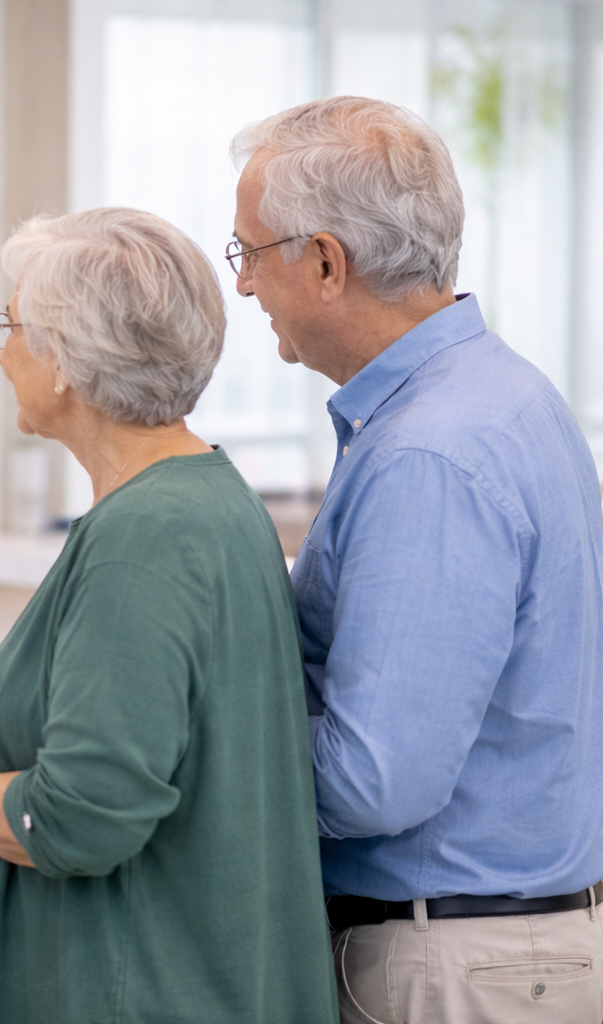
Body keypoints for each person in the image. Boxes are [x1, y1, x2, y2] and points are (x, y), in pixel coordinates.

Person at [0, 208, 337, 1022]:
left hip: (141, 989)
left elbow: (79, 818)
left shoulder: (143, 538)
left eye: (13, 326)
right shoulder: (209, 497)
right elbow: (139, 724)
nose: (3, 353)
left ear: (68, 360)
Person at [230, 96, 603, 1023]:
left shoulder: (429, 455)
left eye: (248, 253)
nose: (241, 287)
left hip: (451, 962)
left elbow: (375, 778)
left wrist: (181, 761)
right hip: (500, 944)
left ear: (325, 262)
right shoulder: (502, 394)